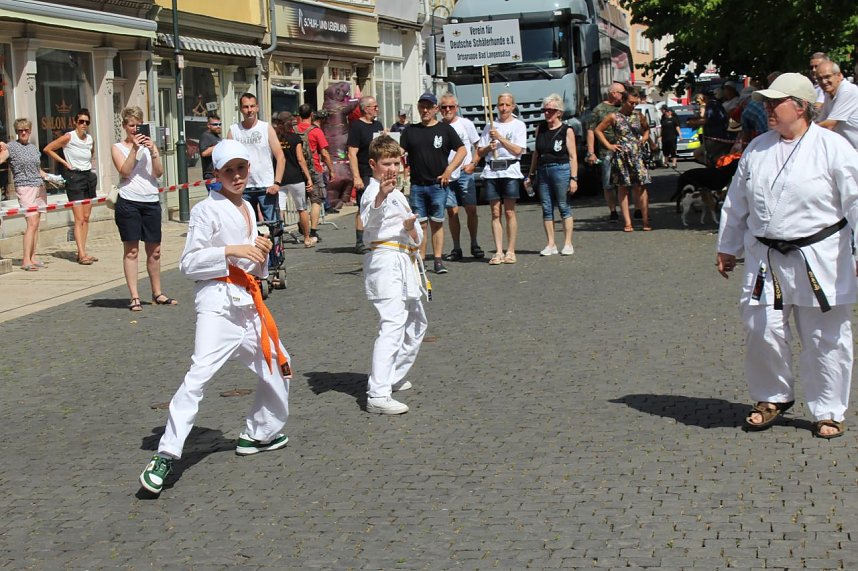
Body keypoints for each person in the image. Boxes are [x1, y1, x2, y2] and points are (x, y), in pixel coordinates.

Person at [138, 139, 291, 496]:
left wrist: (262, 252)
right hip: (217, 305)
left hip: (248, 302)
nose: (237, 176)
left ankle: (259, 433)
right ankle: (166, 454)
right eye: (229, 171)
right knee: (199, 375)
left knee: (278, 363)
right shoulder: (207, 210)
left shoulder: (250, 208)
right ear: (216, 175)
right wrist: (231, 249)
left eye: (241, 169)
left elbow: (253, 265)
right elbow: (189, 264)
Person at [716, 73, 858, 439]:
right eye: (765, 102)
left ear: (799, 106)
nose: (766, 108)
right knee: (761, 328)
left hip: (821, 256)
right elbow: (737, 201)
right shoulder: (758, 148)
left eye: (774, 102)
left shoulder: (833, 146)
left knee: (825, 337)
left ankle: (828, 409)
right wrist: (727, 246)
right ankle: (772, 397)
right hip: (766, 256)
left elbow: (855, 201)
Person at [360, 135, 427, 415]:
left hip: (403, 259)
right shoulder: (373, 192)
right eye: (386, 163)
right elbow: (367, 222)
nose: (392, 169)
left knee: (417, 321)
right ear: (373, 164)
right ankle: (378, 393)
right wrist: (380, 197)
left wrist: (412, 228)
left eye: (396, 163)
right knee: (392, 323)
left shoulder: (398, 194)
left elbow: (417, 236)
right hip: (385, 261)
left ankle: (390, 375)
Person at [110, 106, 176, 311]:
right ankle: (135, 296)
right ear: (124, 126)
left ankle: (157, 293)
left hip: (150, 200)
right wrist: (135, 150)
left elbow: (158, 173)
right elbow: (125, 171)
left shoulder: (149, 146)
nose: (135, 129)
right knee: (131, 251)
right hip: (129, 200)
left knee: (154, 251)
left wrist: (154, 151)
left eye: (138, 125)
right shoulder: (117, 147)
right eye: (131, 125)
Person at [399, 92, 466, 273]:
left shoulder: (445, 129)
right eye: (422, 106)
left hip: (438, 184)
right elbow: (398, 151)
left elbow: (462, 150)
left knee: (437, 222)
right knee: (420, 225)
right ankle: (420, 260)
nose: (425, 110)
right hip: (417, 185)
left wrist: (449, 170)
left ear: (436, 108)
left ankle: (437, 259)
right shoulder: (410, 130)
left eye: (429, 106)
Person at [475, 92, 526, 265]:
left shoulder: (518, 126)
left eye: (507, 105)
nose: (503, 108)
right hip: (492, 171)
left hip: (510, 170)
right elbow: (480, 151)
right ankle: (498, 251)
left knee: (509, 211)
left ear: (512, 106)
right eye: (500, 105)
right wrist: (489, 147)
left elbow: (518, 150)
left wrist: (501, 139)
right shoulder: (490, 126)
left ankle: (510, 250)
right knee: (495, 212)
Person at [42, 109, 98, 265]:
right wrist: (65, 163)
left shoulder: (89, 139)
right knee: (79, 218)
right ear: (75, 122)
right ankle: (80, 254)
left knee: (86, 218)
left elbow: (90, 154)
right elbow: (48, 149)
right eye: (81, 121)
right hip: (74, 178)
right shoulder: (69, 137)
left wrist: (91, 167)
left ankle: (83, 251)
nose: (84, 125)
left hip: (88, 177)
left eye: (87, 122)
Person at [594, 88, 652, 232]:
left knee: (642, 186)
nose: (633, 106)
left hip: (637, 155)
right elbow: (598, 130)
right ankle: (628, 222)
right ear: (624, 101)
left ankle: (645, 220)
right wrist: (609, 145)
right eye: (631, 103)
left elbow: (646, 129)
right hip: (622, 155)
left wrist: (644, 139)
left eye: (635, 103)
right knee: (623, 188)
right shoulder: (614, 117)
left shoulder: (639, 116)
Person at [527, 94, 578, 256]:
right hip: (543, 170)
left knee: (563, 205)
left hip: (561, 168)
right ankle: (551, 243)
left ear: (559, 112)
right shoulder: (540, 128)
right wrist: (531, 174)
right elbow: (536, 153)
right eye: (545, 110)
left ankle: (568, 243)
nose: (547, 113)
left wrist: (573, 178)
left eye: (551, 110)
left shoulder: (566, 130)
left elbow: (572, 156)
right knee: (546, 208)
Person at [227, 93, 285, 223]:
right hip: (243, 186)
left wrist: (277, 183)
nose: (249, 110)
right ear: (241, 109)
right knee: (247, 224)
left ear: (257, 108)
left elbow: (280, 157)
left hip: (266, 186)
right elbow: (228, 161)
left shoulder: (266, 128)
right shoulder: (234, 130)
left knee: (273, 224)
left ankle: (275, 244)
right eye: (246, 107)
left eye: (252, 106)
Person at [439, 93, 483, 261]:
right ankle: (456, 247)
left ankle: (474, 243)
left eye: (451, 107)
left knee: (471, 209)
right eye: (444, 107)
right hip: (446, 175)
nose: (448, 110)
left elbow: (478, 146)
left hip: (465, 173)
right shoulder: (438, 126)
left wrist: (474, 163)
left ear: (456, 108)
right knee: (452, 211)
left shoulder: (466, 124)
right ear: (440, 109)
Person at [0, 118, 47, 271]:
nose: (24, 132)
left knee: (36, 224)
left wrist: (48, 176)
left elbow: (37, 169)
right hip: (24, 187)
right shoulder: (12, 147)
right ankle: (26, 260)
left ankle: (33, 257)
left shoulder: (33, 148)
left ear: (30, 130)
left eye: (26, 129)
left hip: (39, 186)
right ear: (17, 132)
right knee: (31, 223)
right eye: (21, 130)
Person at [347, 96, 384, 253]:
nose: (377, 108)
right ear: (365, 108)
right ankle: (360, 241)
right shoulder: (356, 127)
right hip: (364, 172)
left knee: (380, 203)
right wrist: (356, 176)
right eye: (374, 106)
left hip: (378, 172)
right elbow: (351, 153)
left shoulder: (378, 125)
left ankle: (377, 236)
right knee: (364, 206)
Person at [586, 82, 626, 221]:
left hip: (624, 150)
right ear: (613, 93)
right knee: (608, 183)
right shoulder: (599, 109)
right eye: (622, 92)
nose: (624, 95)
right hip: (606, 152)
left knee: (625, 182)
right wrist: (591, 152)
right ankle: (613, 211)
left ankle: (631, 211)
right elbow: (591, 131)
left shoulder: (624, 107)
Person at [273, 112, 314, 247]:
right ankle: (307, 238)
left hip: (279, 178)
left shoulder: (274, 138)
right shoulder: (295, 138)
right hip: (296, 177)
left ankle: (278, 240)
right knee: (301, 209)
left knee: (280, 210)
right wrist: (308, 177)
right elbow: (300, 159)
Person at [296, 104, 334, 244]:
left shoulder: (293, 130)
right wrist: (331, 170)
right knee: (316, 200)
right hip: (314, 169)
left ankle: (302, 225)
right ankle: (312, 230)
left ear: (299, 115)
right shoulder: (316, 131)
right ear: (311, 115)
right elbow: (324, 153)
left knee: (301, 202)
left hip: (297, 170)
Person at [817, 61, 858, 149]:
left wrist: (802, 132)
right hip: (849, 150)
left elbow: (829, 125)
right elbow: (822, 120)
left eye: (827, 77)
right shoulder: (828, 93)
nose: (824, 82)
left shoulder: (847, 91)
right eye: (819, 78)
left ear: (839, 75)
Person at [198, 113, 222, 192]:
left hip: (220, 174)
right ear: (209, 125)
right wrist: (220, 145)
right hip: (211, 175)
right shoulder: (206, 136)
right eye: (215, 124)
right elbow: (204, 153)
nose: (218, 126)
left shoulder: (217, 136)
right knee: (216, 200)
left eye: (219, 124)